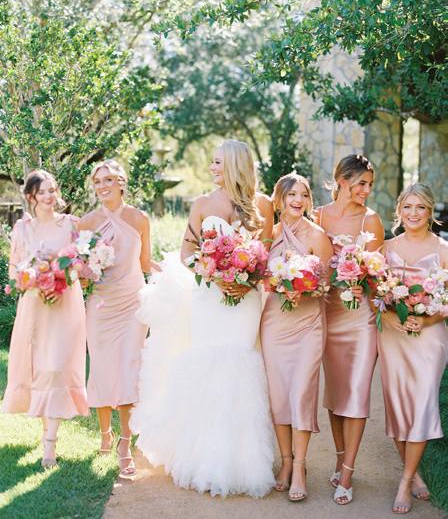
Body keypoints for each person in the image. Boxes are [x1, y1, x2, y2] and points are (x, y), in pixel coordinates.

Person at [132, 139, 276, 497]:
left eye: (217, 162)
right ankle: (201, 458)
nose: (212, 168)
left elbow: (266, 253)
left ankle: (241, 462)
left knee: (240, 366)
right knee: (207, 366)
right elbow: (186, 253)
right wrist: (214, 274)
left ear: (235, 165)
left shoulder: (262, 205)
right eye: (211, 162)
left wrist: (245, 280)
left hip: (245, 299)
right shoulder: (201, 204)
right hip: (209, 297)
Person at [2, 170, 89, 467]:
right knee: (41, 368)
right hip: (35, 305)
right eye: (43, 192)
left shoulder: (72, 225)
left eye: (52, 190)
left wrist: (62, 281)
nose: (50, 196)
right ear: (31, 197)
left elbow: (81, 266)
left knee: (57, 367)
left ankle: (49, 444)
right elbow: (15, 270)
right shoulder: (22, 229)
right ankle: (47, 432)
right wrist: (33, 282)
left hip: (65, 304)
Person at [79, 159, 159, 477]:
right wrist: (82, 272)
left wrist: (175, 274)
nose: (102, 186)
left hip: (131, 304)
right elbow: (80, 269)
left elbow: (145, 262)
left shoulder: (140, 218)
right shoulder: (87, 223)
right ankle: (105, 434)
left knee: (129, 368)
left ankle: (125, 443)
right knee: (101, 368)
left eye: (109, 179)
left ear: (121, 182)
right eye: (97, 181)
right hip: (100, 305)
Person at [315, 154, 384, 505]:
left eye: (370, 185)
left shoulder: (372, 220)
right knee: (335, 394)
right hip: (328, 313)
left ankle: (348, 472)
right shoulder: (318, 216)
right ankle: (340, 455)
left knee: (356, 392)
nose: (366, 191)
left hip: (360, 319)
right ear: (342, 180)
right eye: (361, 183)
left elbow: (378, 275)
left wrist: (364, 286)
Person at [260, 173, 333, 502]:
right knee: (278, 394)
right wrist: (279, 286)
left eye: (304, 194)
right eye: (291, 194)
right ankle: (286, 461)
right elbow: (260, 276)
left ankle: (301, 467)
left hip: (308, 324)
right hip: (275, 323)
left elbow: (327, 285)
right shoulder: (269, 234)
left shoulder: (318, 236)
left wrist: (304, 291)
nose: (298, 200)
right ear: (279, 199)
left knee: (302, 392)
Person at [377, 183, 448, 514]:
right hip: (393, 337)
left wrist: (428, 320)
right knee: (398, 405)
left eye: (420, 207)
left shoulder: (443, 249)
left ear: (430, 211)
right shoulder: (386, 247)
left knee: (421, 404)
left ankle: (404, 482)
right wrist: (390, 317)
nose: (413, 213)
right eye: (408, 207)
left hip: (429, 338)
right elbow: (374, 293)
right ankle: (414, 473)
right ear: (399, 211)